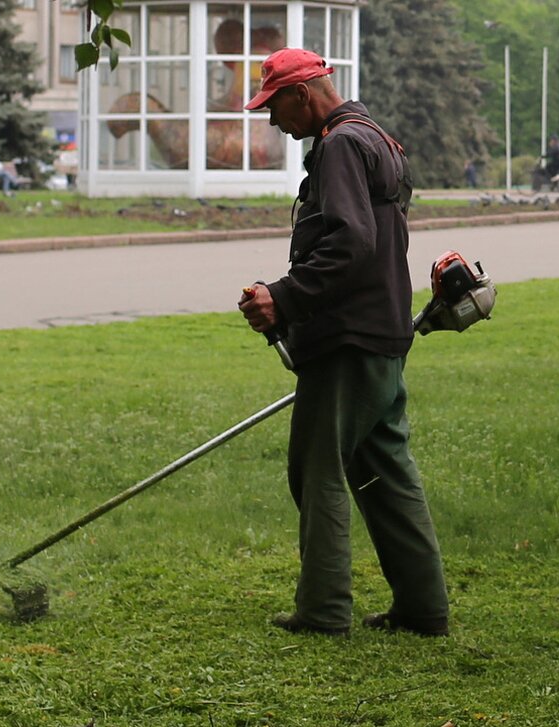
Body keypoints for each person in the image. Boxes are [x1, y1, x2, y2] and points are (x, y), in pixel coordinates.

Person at [237, 48, 448, 637]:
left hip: (349, 337)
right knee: (385, 469)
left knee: (318, 468)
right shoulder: (374, 136)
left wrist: (283, 294)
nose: (273, 122)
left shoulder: (338, 145)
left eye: (274, 106)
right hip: (382, 332)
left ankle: (324, 611)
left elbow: (351, 241)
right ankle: (423, 610)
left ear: (302, 93)